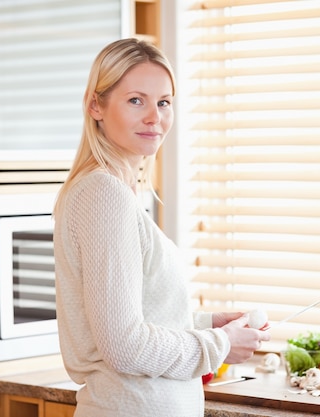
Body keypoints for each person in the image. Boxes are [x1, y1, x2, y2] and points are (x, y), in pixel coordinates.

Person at [53, 38, 270, 417]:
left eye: (164, 102)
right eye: (136, 100)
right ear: (95, 105)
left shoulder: (109, 190)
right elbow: (123, 346)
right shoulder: (104, 194)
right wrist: (219, 344)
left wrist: (202, 324)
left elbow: (131, 319)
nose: (155, 117)